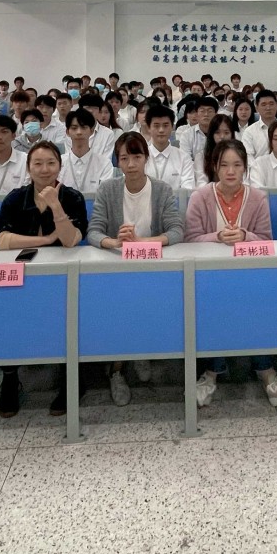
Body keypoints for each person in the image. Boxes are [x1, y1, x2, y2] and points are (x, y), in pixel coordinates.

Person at [184, 139, 277, 409]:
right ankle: (212, 373)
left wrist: (245, 235)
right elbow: (189, 239)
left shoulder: (257, 198)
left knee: (255, 305)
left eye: (237, 165)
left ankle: (266, 372)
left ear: (245, 167)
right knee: (215, 306)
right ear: (215, 167)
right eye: (224, 165)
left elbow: (266, 239)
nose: (230, 171)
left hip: (250, 277)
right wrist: (217, 237)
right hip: (209, 279)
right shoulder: (200, 197)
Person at [0, 141, 89, 417]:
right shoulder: (15, 198)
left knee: (69, 317)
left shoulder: (72, 197)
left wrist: (56, 207)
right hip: (22, 276)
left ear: (60, 166)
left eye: (51, 163)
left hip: (61, 278)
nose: (44, 169)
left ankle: (72, 379)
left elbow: (70, 240)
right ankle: (10, 379)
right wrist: (44, 240)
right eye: (38, 163)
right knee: (7, 314)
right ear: (28, 168)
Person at [87, 133, 185, 405]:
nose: (131, 164)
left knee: (149, 308)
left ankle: (142, 350)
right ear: (117, 161)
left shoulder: (162, 189)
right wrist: (114, 242)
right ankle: (117, 369)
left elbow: (176, 231)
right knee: (119, 311)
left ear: (146, 158)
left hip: (154, 268)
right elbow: (93, 231)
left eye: (137, 157)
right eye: (124, 158)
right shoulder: (108, 189)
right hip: (117, 269)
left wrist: (142, 242)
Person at [59, 108, 115, 194]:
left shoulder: (104, 163)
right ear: (67, 132)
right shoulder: (59, 163)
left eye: (83, 127)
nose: (79, 132)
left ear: (91, 131)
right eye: (74, 128)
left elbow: (106, 195)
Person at [144, 104, 196, 191]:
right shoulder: (141, 157)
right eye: (156, 126)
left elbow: (187, 190)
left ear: (172, 127)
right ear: (149, 128)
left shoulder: (183, 158)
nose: (161, 130)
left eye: (165, 125)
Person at [195, 113, 237, 187]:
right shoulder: (201, 156)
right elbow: (201, 182)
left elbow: (243, 180)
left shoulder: (238, 155)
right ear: (211, 134)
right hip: (210, 192)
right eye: (217, 132)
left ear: (232, 134)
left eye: (226, 133)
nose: (222, 136)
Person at [240, 89, 277, 161]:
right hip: (258, 168)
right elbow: (248, 157)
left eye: (271, 104)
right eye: (263, 105)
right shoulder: (249, 132)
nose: (268, 108)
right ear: (257, 108)